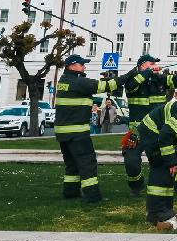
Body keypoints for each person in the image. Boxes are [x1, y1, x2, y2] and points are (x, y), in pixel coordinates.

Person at [55, 55, 134, 203]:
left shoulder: (64, 81)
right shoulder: (78, 82)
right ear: (71, 66)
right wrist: (129, 75)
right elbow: (104, 86)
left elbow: (96, 84)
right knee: (87, 163)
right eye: (82, 64)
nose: (84, 67)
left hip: (63, 132)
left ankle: (70, 192)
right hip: (77, 132)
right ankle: (92, 196)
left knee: (72, 165)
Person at [123, 54, 177, 194]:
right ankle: (136, 186)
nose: (155, 65)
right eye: (152, 63)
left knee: (173, 156)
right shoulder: (132, 81)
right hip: (137, 132)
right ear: (142, 65)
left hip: (160, 130)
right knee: (131, 161)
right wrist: (148, 72)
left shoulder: (160, 79)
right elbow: (131, 85)